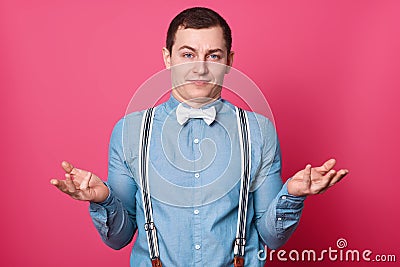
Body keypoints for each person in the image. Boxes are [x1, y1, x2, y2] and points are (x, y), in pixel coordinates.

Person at [50, 7, 348, 267]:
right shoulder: (129, 131)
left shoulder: (259, 130)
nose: (201, 67)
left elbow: (271, 236)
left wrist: (292, 196)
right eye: (188, 54)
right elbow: (120, 238)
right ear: (168, 58)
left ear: (229, 61)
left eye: (213, 55)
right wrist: (102, 200)